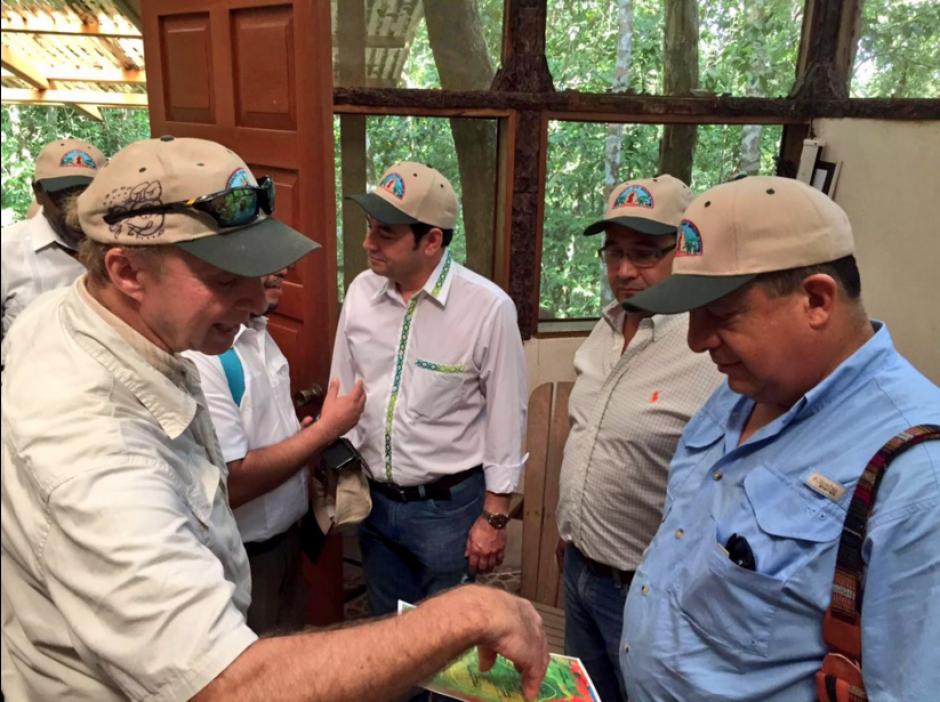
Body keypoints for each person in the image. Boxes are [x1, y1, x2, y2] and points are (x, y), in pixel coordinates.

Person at [0, 137, 549, 702]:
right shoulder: (97, 453)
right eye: (223, 278)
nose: (257, 301)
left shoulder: (61, 314)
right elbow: (227, 685)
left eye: (257, 271)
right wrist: (465, 614)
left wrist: (493, 510)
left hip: (445, 505)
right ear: (127, 270)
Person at [618, 175, 940, 702]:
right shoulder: (741, 390)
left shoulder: (917, 474)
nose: (697, 340)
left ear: (815, 300)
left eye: (720, 314)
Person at [332, 162, 529, 620]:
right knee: (391, 641)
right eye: (368, 228)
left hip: (449, 512)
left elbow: (506, 417)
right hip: (376, 507)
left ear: (432, 240)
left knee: (447, 650)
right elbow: (342, 392)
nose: (367, 243)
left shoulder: (488, 308)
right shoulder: (361, 293)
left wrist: (494, 518)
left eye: (385, 233)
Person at [554, 175, 723, 702]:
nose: (624, 272)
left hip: (646, 593)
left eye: (646, 253)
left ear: (686, 250)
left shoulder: (710, 349)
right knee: (585, 696)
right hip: (578, 568)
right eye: (615, 253)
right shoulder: (607, 325)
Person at [184, 269, 364, 634]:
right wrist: (327, 429)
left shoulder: (260, 335)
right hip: (248, 557)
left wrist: (304, 435)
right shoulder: (208, 357)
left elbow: (262, 435)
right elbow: (234, 482)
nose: (281, 270)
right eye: (265, 260)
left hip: (287, 544)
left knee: (288, 646)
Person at [1, 138, 105, 342]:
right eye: (63, 197)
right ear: (39, 193)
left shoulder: (122, 245)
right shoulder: (7, 252)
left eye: (88, 196)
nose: (76, 210)